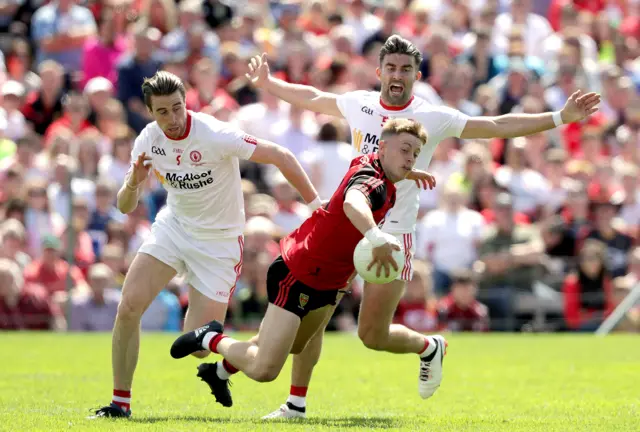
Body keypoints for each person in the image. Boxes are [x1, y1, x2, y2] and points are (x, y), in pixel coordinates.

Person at [245, 34, 601, 418]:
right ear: (380, 71)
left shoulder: (432, 115)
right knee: (313, 318)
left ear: (416, 75)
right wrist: (268, 85)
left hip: (394, 235)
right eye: (392, 68)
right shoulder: (359, 104)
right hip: (348, 224)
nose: (398, 75)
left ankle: (429, 347)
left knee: (372, 336)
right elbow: (313, 98)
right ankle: (296, 405)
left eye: (406, 69)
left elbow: (496, 124)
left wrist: (560, 118)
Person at [92, 71, 321, 418]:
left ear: (187, 102)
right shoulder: (149, 140)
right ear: (151, 112)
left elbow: (282, 156)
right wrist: (134, 183)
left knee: (196, 346)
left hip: (219, 244)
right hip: (174, 229)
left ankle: (219, 369)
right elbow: (125, 206)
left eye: (177, 107)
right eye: (162, 112)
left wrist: (316, 206)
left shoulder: (214, 133)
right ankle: (120, 404)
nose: (172, 118)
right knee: (128, 306)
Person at [169, 118, 439, 407]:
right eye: (405, 150)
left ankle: (218, 372)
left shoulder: (375, 163)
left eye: (415, 153)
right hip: (299, 272)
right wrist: (376, 237)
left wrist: (408, 172)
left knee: (297, 345)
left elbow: (382, 170)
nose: (410, 157)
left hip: (329, 280)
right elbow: (354, 202)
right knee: (264, 369)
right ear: (383, 147)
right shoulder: (372, 181)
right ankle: (209, 338)